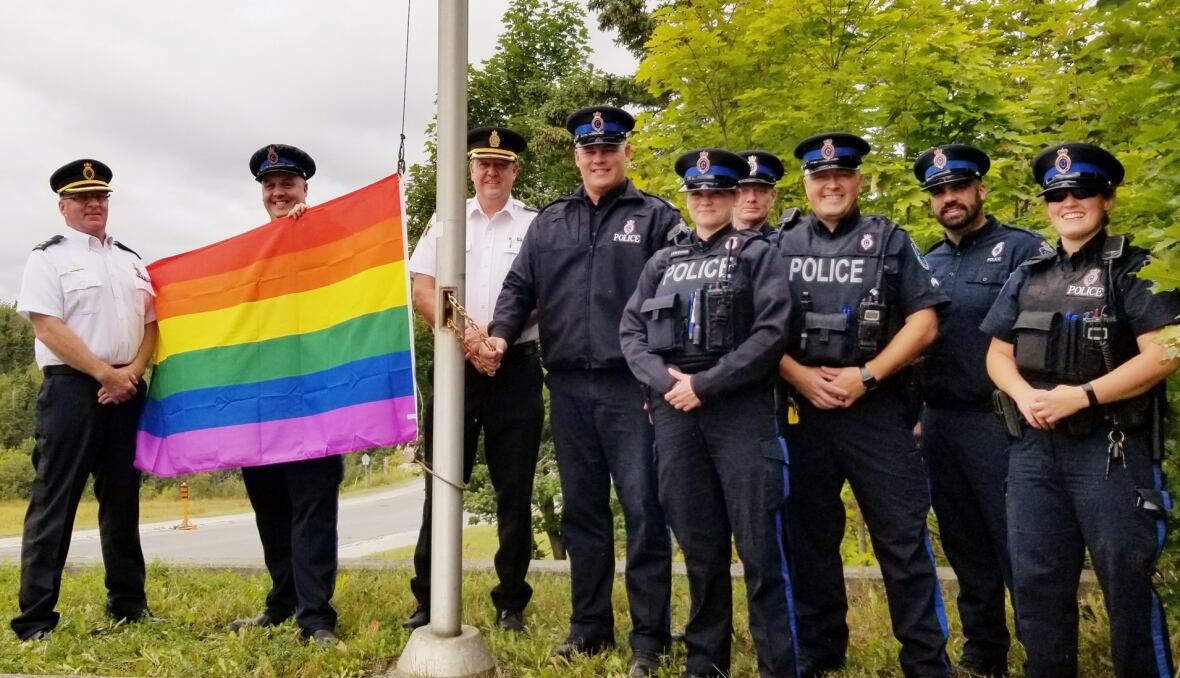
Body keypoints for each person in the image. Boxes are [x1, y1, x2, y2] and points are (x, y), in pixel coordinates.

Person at [481, 105, 680, 677]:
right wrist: (499, 337)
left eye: (609, 149)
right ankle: (589, 628)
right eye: (589, 150)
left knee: (644, 511)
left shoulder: (657, 219)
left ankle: (649, 639)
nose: (599, 157)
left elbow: (676, 304)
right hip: (567, 387)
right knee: (583, 515)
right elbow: (519, 289)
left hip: (635, 389)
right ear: (576, 157)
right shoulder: (550, 223)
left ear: (626, 154)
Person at [982, 142, 1178, 678]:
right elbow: (997, 354)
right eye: (1057, 195)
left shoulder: (1134, 268)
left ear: (1107, 197)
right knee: (1036, 583)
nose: (1069, 202)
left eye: (1082, 192)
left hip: (1110, 451)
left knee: (1127, 583)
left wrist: (1082, 396)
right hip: (1033, 452)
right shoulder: (1030, 272)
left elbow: (1165, 352)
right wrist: (1025, 397)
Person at [775, 132, 951, 677]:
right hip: (802, 414)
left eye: (842, 175)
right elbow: (755, 329)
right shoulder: (778, 243)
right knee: (809, 541)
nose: (831, 184)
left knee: (901, 539)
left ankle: (925, 661)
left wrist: (867, 377)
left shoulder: (891, 239)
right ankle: (819, 653)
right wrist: (800, 376)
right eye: (820, 177)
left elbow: (925, 322)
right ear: (805, 183)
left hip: (876, 411)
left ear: (858, 180)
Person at [620, 148, 797, 678]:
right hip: (675, 413)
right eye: (696, 194)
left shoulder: (756, 255)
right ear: (688, 199)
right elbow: (631, 334)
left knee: (761, 549)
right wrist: (667, 382)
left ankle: (778, 665)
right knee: (699, 548)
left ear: (731, 196)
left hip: (739, 411)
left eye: (715, 193)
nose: (705, 201)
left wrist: (707, 384)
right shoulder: (662, 262)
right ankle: (705, 662)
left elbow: (772, 333)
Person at [913, 144, 1048, 676]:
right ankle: (983, 651)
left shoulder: (1022, 250)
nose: (950, 199)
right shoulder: (928, 261)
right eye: (939, 192)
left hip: (1001, 422)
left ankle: (1044, 652)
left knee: (1018, 543)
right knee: (964, 543)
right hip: (940, 422)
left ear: (979, 191)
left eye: (958, 188)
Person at [404, 127, 544, 632]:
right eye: (483, 163)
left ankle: (511, 602)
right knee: (441, 483)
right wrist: (467, 338)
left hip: (517, 365)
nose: (491, 172)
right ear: (470, 168)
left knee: (514, 490)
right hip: (454, 365)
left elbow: (544, 294)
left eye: (501, 164)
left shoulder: (534, 225)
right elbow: (422, 288)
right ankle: (428, 599)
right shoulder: (445, 220)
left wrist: (499, 340)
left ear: (514, 170)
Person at [12, 159, 157, 641]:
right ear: (63, 206)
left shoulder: (132, 260)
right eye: (82, 198)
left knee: (123, 501)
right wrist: (102, 373)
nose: (94, 205)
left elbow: (152, 323)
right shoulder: (47, 257)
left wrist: (132, 372)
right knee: (55, 501)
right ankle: (35, 620)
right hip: (73, 389)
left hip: (128, 387)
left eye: (101, 197)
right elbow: (47, 325)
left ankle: (128, 604)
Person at [228, 144, 341, 646]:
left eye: (287, 183)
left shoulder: (332, 239)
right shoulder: (246, 251)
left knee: (313, 506)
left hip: (316, 400)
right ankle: (281, 601)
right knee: (270, 505)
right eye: (270, 185)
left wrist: (311, 230)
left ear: (304, 189)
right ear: (262, 192)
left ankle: (315, 616)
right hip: (261, 403)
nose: (278, 192)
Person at [732, 149, 785, 237]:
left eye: (761, 191)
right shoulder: (712, 245)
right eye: (743, 191)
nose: (752, 198)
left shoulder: (785, 246)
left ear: (773, 196)